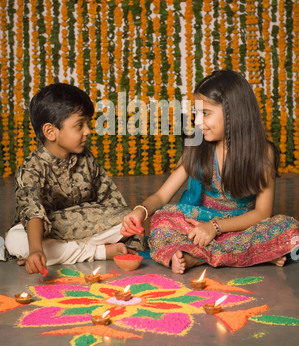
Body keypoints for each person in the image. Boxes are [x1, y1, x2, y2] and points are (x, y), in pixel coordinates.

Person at [121, 69, 299, 273]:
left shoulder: (262, 152)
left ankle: (198, 257)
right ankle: (257, 255)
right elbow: (162, 195)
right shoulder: (197, 147)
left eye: (205, 113)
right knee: (162, 220)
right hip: (199, 222)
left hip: (241, 225)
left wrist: (215, 228)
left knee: (288, 229)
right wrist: (141, 211)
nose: (198, 122)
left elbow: (262, 213)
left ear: (234, 112)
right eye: (197, 114)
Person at [5, 83, 144, 275]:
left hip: (87, 227)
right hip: (48, 232)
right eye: (80, 125)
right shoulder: (32, 168)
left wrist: (127, 221)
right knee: (15, 239)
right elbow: (32, 211)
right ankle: (98, 252)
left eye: (87, 124)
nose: (87, 131)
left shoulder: (86, 158)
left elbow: (109, 199)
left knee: (132, 220)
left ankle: (69, 251)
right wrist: (36, 249)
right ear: (50, 131)